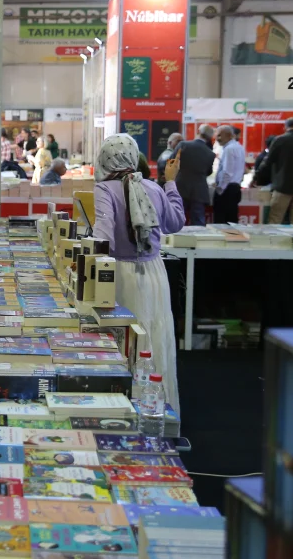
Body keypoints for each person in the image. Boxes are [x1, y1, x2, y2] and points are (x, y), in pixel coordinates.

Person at [93, 134, 185, 411]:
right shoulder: (154, 189)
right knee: (153, 335)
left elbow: (102, 238)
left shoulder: (105, 189)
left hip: (118, 275)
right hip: (154, 273)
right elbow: (175, 223)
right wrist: (170, 183)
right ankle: (157, 404)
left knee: (121, 338)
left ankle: (120, 404)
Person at [254, 118, 293, 225]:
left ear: (285, 127)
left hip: (282, 187)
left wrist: (257, 177)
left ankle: (274, 242)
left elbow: (267, 162)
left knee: (275, 220)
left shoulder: (279, 140)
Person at [171, 125, 216, 225]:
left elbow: (171, 163)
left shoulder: (183, 145)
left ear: (198, 131)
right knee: (198, 221)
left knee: (176, 219)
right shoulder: (210, 154)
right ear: (210, 137)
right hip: (199, 191)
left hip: (180, 188)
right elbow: (208, 172)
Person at [213, 125, 245, 224]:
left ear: (229, 135)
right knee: (232, 221)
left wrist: (220, 189)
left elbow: (227, 172)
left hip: (227, 189)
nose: (217, 139)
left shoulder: (229, 149)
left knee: (221, 222)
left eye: (219, 136)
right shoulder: (238, 147)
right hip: (235, 188)